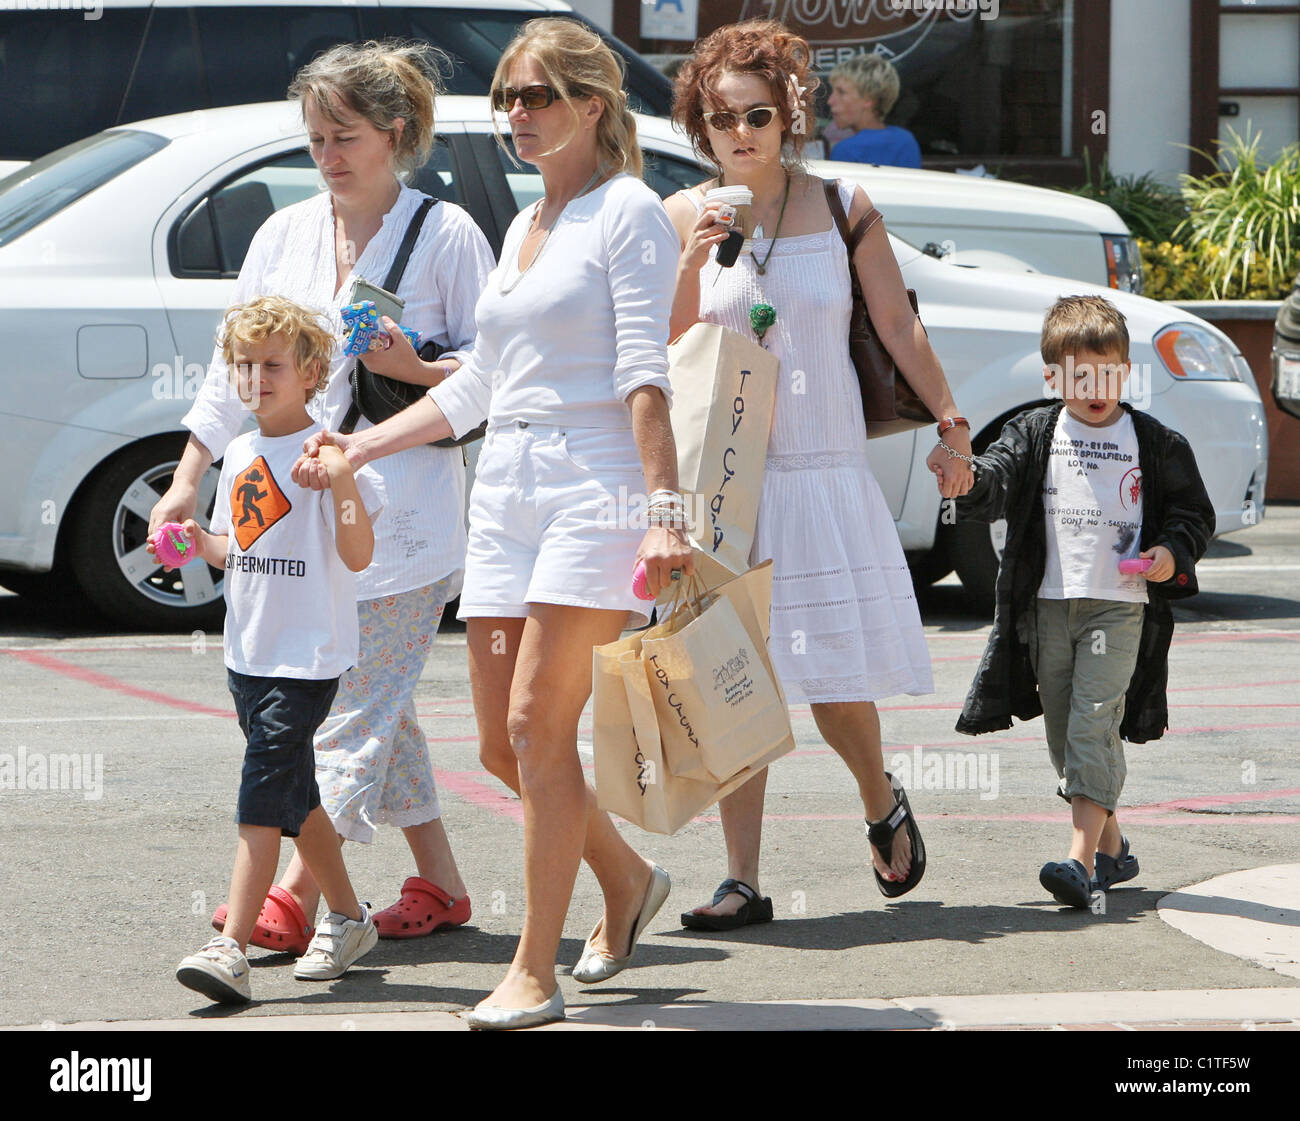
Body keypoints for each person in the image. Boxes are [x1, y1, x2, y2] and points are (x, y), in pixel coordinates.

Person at [293, 18, 691, 1029]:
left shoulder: (629, 212)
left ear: (593, 105)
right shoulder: (524, 225)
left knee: (533, 725)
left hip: (591, 493)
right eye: (508, 97)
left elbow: (645, 373)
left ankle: (533, 970)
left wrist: (663, 512)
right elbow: (478, 382)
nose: (516, 114)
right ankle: (630, 880)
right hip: (506, 490)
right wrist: (364, 447)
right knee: (505, 749)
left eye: (538, 96)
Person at [150, 41, 494, 953]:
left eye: (345, 136)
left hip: (397, 524)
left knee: (345, 713)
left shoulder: (448, 235)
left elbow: (496, 375)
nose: (329, 154)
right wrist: (189, 480)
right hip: (280, 526)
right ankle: (444, 884)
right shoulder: (282, 234)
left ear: (397, 132)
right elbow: (236, 375)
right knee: (382, 705)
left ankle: (292, 896)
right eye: (315, 138)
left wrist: (412, 366)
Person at [666, 20, 973, 930]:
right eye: (722, 119)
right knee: (731, 680)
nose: (742, 133)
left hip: (820, 472)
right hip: (725, 483)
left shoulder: (842, 205)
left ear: (790, 111)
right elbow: (660, 352)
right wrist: (690, 261)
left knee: (837, 683)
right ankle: (742, 879)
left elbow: (899, 326)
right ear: (700, 125)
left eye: (759, 113)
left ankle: (881, 799)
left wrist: (951, 421)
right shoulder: (684, 215)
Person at [955, 295, 1214, 907]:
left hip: (1119, 605)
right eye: (1079, 376)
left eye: (1107, 373)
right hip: (1047, 605)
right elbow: (993, 477)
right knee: (1066, 733)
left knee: (1096, 722)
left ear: (1126, 371)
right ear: (1053, 377)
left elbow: (1192, 514)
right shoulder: (1035, 432)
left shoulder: (1154, 442)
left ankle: (1079, 862)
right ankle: (1116, 851)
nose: (1095, 388)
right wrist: (964, 477)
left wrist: (1171, 553)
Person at [175, 297, 385, 1004]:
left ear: (312, 372)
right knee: (297, 799)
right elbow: (237, 549)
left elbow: (358, 555)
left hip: (307, 659)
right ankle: (351, 918)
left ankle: (229, 945)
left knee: (261, 795)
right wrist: (190, 546)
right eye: (244, 364)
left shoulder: (333, 452)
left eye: (272, 365)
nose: (255, 377)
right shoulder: (239, 453)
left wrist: (344, 477)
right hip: (248, 657)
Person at [827, 54, 921, 169]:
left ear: (868, 99)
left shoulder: (846, 150)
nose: (830, 101)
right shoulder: (906, 141)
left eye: (841, 92)